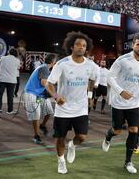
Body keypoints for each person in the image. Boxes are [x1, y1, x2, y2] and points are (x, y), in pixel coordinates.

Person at [45, 31, 97, 174]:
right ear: (72, 47)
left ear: (87, 49)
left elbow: (92, 79)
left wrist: (90, 96)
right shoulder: (62, 64)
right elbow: (49, 84)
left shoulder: (90, 65)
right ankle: (61, 161)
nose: (81, 47)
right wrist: (56, 96)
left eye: (84, 45)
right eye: (78, 44)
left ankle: (72, 145)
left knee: (82, 137)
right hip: (63, 109)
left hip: (81, 108)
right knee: (60, 138)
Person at [102, 35, 139, 174]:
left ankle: (128, 162)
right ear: (133, 45)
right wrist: (120, 91)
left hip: (134, 103)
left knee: (134, 131)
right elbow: (109, 77)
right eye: (138, 45)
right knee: (117, 130)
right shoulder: (122, 60)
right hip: (118, 102)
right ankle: (108, 137)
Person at [24, 54, 57, 144]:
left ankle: (42, 126)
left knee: (49, 111)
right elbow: (44, 83)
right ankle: (36, 136)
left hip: (40, 95)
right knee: (36, 115)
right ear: (53, 63)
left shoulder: (45, 68)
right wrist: (55, 96)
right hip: (32, 93)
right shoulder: (44, 68)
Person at [0, 48, 21, 115]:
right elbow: (18, 68)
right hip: (12, 80)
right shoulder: (17, 60)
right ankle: (10, 110)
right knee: (10, 96)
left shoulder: (2, 58)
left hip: (2, 79)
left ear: (9, 52)